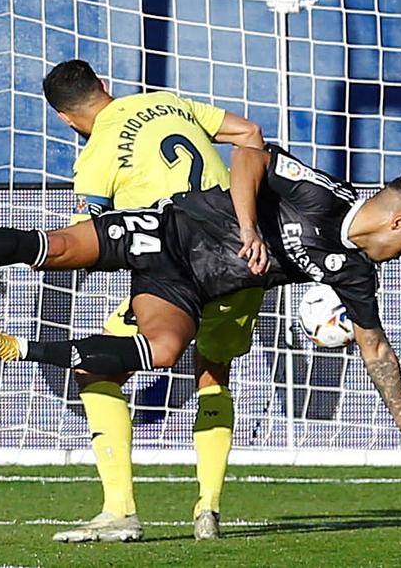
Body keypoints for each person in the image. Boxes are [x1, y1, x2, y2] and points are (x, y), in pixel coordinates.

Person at [0, 143, 401, 474]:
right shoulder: (320, 195)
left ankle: (17, 348)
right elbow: (250, 154)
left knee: (162, 352)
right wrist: (252, 227)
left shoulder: (356, 274)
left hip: (187, 286)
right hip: (167, 229)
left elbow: (374, 347)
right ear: (399, 220)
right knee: (53, 246)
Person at [25, 60, 264, 542]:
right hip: (241, 257)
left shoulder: (95, 157)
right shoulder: (168, 102)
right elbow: (250, 134)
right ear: (105, 87)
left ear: (64, 118)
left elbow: (94, 233)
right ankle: (208, 509)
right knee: (213, 370)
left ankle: (120, 510)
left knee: (95, 369)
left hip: (178, 272)